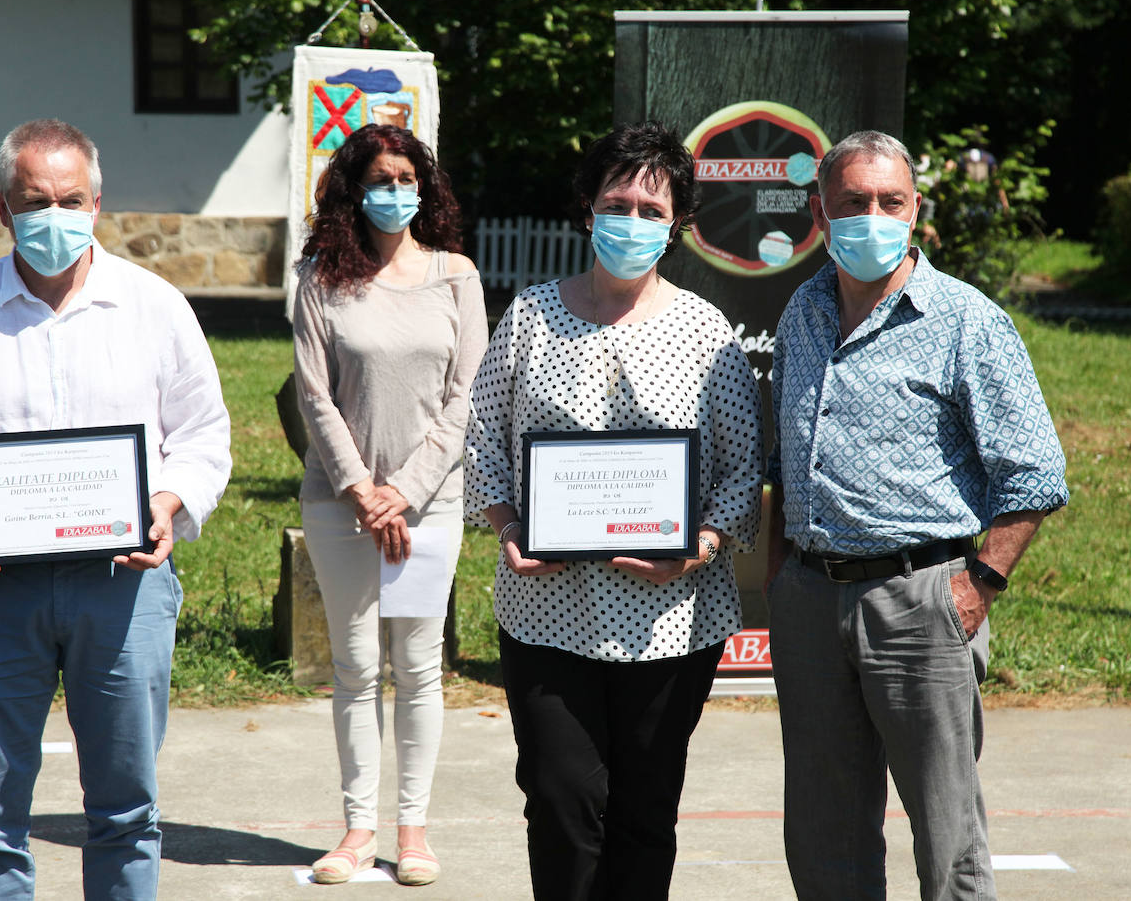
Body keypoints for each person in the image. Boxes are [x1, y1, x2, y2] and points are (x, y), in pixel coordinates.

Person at [0, 118, 232, 901]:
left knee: (126, 809)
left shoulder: (155, 307)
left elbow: (204, 437)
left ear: (98, 204)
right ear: (2, 208)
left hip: (124, 586)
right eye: (34, 201)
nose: (54, 217)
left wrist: (170, 504)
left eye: (71, 200)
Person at [765, 130, 1068, 900]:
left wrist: (976, 586)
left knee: (947, 834)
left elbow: (1034, 473)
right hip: (809, 598)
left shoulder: (967, 321)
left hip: (921, 599)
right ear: (820, 212)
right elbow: (781, 464)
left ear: (916, 208)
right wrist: (781, 581)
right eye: (853, 202)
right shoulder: (800, 310)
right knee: (823, 835)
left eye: (889, 201)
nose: (872, 216)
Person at [463, 120, 763, 900]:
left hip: (671, 622)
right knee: (561, 803)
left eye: (651, 209)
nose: (632, 220)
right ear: (587, 209)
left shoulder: (705, 332)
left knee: (642, 813)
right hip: (546, 610)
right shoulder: (530, 316)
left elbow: (741, 472)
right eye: (617, 201)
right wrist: (506, 531)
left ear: (678, 227)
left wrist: (697, 546)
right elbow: (482, 439)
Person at [291, 123, 486, 886]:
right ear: (352, 189)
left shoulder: (456, 276)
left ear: (425, 188)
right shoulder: (319, 279)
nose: (394, 191)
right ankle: (355, 828)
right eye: (380, 177)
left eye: (407, 177)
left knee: (418, 665)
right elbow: (313, 394)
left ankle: (413, 831)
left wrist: (403, 492)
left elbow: (467, 398)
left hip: (428, 507)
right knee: (356, 666)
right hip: (341, 505)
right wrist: (363, 491)